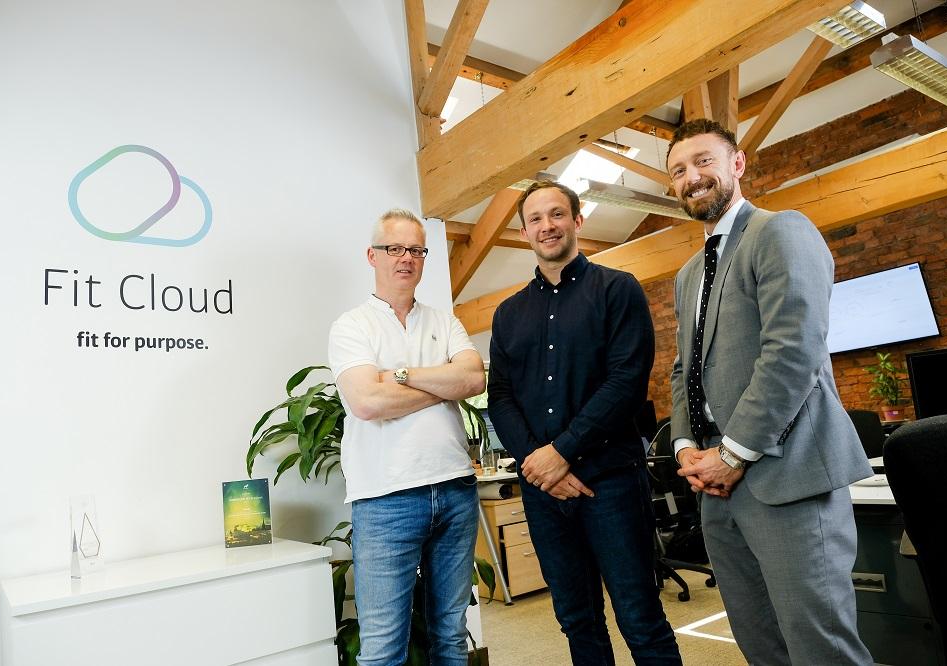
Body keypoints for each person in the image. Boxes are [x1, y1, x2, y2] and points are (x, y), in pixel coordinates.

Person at [667, 118, 873, 665]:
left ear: (737, 164)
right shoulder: (689, 273)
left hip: (788, 478)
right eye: (679, 170)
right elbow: (682, 370)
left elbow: (793, 351)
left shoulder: (780, 231)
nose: (692, 177)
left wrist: (733, 453)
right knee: (762, 646)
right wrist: (686, 448)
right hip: (716, 489)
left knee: (821, 648)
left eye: (704, 161)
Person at [487, 181, 682, 665]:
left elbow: (626, 384)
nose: (547, 226)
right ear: (524, 231)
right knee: (576, 619)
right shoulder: (508, 314)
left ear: (578, 220)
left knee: (640, 617)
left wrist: (561, 452)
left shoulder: (618, 290)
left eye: (557, 214)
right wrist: (537, 463)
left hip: (611, 483)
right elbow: (501, 397)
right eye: (536, 219)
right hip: (543, 492)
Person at [327, 209, 486, 666]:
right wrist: (440, 386)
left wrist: (399, 376)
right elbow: (368, 403)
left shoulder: (445, 321)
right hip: (385, 500)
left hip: (455, 489)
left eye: (416, 250)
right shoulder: (352, 326)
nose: (406, 258)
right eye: (394, 249)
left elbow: (474, 380)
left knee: (451, 637)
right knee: (382, 650)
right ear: (372, 255)